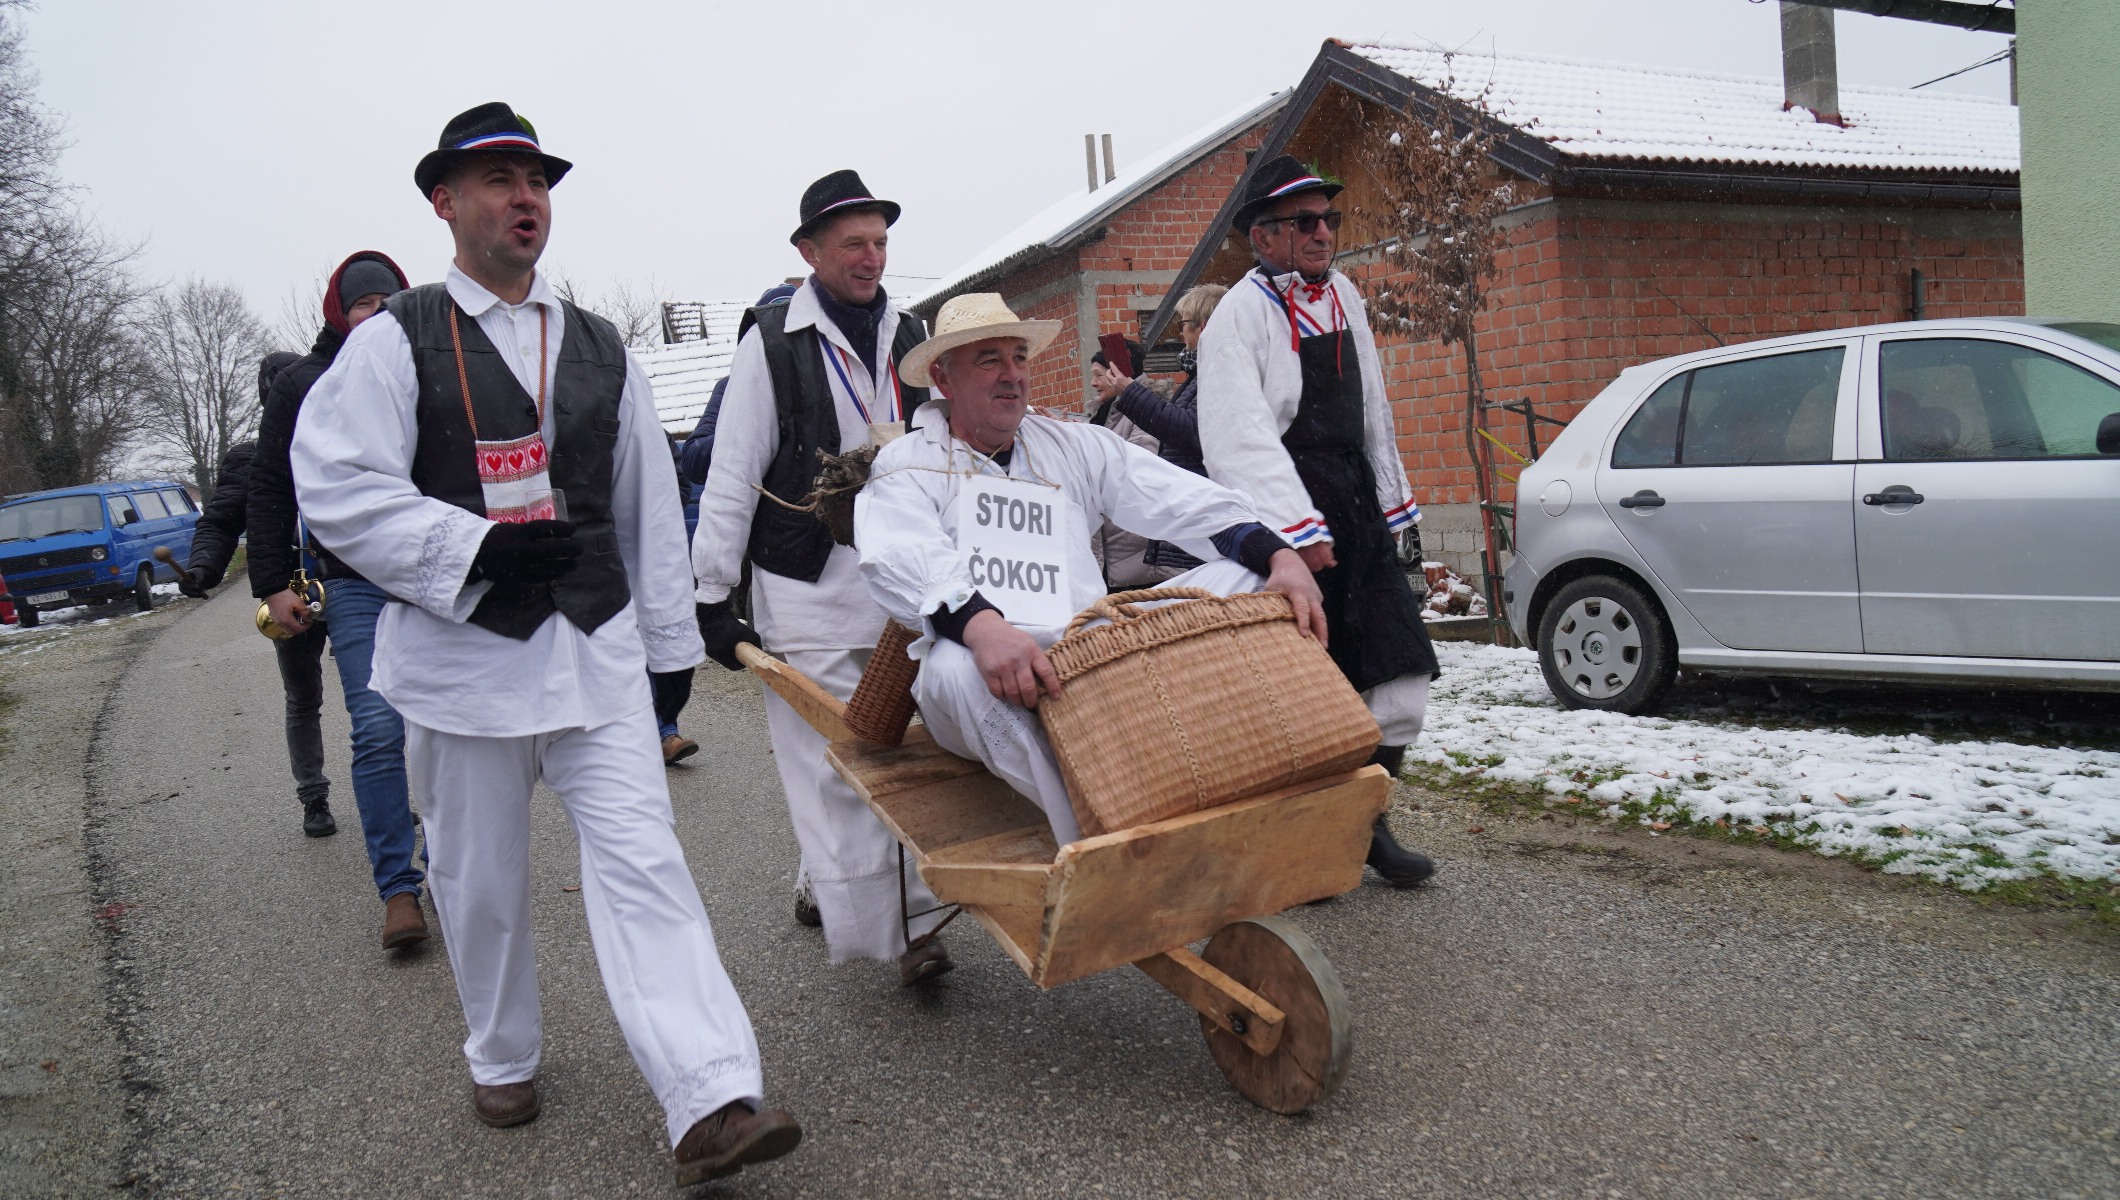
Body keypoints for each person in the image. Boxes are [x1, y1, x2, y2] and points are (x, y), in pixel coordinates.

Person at [290, 103, 799, 1184]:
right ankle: (502, 1053)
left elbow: (644, 501)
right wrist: (468, 549)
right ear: (444, 201)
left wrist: (668, 642)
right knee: (478, 885)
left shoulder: (600, 345)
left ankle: (712, 1094)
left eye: (536, 182)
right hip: (461, 669)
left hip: (594, 657)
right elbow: (332, 483)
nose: (525, 199)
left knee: (647, 869)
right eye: (498, 181)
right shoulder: (393, 341)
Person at [854, 293, 1327, 845]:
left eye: (1019, 358)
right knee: (951, 669)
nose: (1012, 375)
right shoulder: (908, 463)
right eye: (989, 361)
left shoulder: (1070, 444)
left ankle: (1239, 767)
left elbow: (1177, 498)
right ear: (943, 377)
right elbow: (901, 554)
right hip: (986, 663)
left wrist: (1279, 555)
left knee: (1250, 581)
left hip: (1088, 651)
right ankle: (1097, 834)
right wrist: (984, 629)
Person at [691, 171, 951, 985]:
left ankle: (843, 888)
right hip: (805, 588)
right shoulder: (771, 342)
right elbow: (733, 472)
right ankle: (906, 934)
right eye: (853, 245)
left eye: (880, 243)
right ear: (809, 252)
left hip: (899, 587)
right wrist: (709, 594)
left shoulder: (912, 333)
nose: (871, 258)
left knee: (906, 758)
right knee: (832, 767)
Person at [1196, 155, 1440, 887]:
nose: (1322, 232)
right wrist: (1297, 532)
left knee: (1401, 679)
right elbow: (1238, 435)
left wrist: (1393, 505)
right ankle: (1303, 844)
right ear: (1262, 236)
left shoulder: (1346, 297)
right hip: (1291, 517)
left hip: (1355, 503)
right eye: (1304, 221)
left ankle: (1365, 823)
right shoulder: (1238, 316)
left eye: (1329, 219)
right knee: (1309, 695)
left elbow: (1374, 409)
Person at [247, 250, 432, 950]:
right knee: (379, 729)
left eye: (388, 301)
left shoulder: (428, 366)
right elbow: (270, 486)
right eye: (363, 303)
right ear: (339, 312)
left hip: (429, 573)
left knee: (446, 728)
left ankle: (452, 871)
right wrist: (272, 582)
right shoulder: (303, 384)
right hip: (351, 582)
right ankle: (399, 890)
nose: (377, 313)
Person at [180, 355, 340, 840]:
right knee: (303, 697)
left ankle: (385, 793)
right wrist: (203, 567)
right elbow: (220, 520)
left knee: (374, 697)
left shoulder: (341, 440)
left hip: (349, 585)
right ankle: (313, 797)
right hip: (288, 593)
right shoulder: (249, 459)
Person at [1089, 285, 1228, 574]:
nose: (1180, 334)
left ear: (1203, 327)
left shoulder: (1219, 372)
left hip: (1200, 523)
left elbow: (1190, 431)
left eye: (1183, 324)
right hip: (1191, 523)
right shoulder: (1199, 374)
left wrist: (1130, 392)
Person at [1084, 339, 1174, 589]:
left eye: (1099, 375)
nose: (1093, 383)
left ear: (1118, 374)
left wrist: (1082, 446)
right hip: (1113, 557)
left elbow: (1136, 467)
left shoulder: (1146, 411)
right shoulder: (1103, 415)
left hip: (1143, 563)